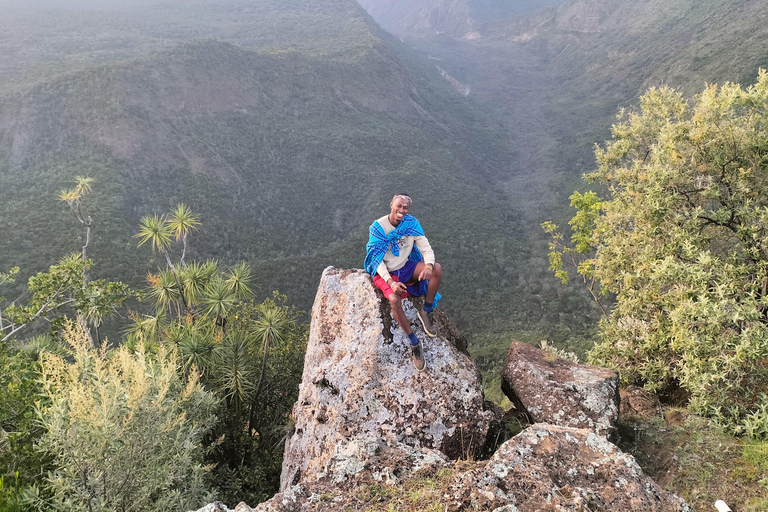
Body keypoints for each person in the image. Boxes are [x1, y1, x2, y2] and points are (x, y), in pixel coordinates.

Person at [364, 193, 443, 371]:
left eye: (405, 207)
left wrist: (428, 266)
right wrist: (390, 282)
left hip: (406, 266)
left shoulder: (411, 224)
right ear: (391, 204)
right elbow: (377, 261)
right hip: (386, 272)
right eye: (398, 206)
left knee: (437, 269)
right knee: (393, 299)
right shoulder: (378, 228)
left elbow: (425, 247)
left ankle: (426, 311)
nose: (401, 210)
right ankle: (414, 343)